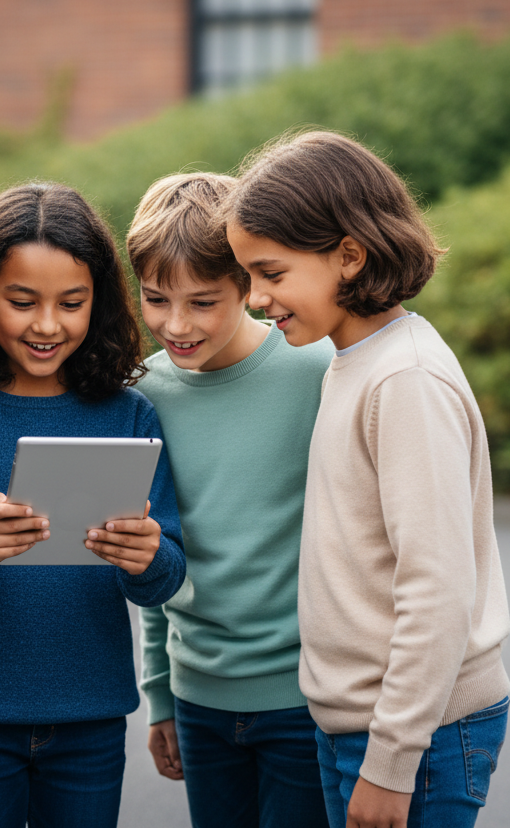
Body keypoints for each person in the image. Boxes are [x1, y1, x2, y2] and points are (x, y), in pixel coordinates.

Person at [222, 130, 510, 828]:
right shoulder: (352, 360)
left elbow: (436, 586)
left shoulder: (405, 379)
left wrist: (390, 762)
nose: (256, 298)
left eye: (271, 273)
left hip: (418, 737)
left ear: (348, 256)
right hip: (361, 724)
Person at [0, 183, 186, 828]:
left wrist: (147, 557)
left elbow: (165, 577)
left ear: (98, 303)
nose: (47, 325)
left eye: (71, 304)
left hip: (90, 712)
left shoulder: (129, 413)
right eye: (21, 301)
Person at [127, 172, 334, 828]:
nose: (176, 324)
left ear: (249, 285)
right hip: (197, 699)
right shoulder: (145, 394)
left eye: (203, 301)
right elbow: (157, 550)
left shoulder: (316, 369)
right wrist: (159, 692)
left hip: (306, 699)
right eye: (155, 299)